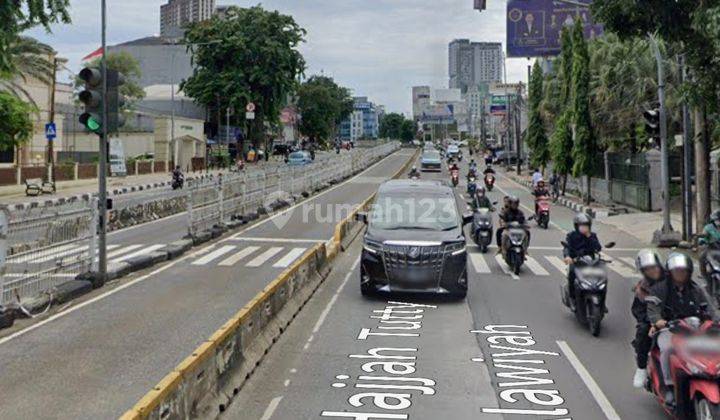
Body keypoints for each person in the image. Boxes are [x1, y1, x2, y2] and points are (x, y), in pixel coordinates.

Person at [646, 253, 719, 406]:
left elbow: (711, 309)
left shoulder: (696, 289)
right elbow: (653, 310)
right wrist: (659, 321)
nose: (680, 274)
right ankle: (669, 387)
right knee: (667, 349)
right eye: (677, 271)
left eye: (683, 270)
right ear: (670, 272)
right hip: (670, 330)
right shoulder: (660, 289)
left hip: (696, 329)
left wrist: (715, 320)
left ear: (689, 271)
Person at [631, 249, 666, 389]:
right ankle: (641, 369)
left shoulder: (673, 279)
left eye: (653, 267)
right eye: (647, 269)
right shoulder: (642, 288)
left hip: (677, 319)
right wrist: (652, 322)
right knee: (643, 331)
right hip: (654, 323)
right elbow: (637, 310)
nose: (652, 271)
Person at [563, 213, 602, 301]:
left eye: (586, 225)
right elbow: (566, 248)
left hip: (590, 262)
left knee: (602, 278)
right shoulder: (571, 236)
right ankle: (572, 297)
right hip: (576, 261)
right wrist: (567, 256)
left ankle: (601, 300)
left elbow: (598, 248)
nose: (584, 227)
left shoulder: (592, 236)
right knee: (572, 273)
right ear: (577, 226)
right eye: (582, 225)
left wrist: (588, 236)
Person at [700, 210, 720, 279]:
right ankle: (704, 275)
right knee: (702, 256)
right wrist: (702, 241)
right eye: (717, 220)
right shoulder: (708, 228)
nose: (718, 221)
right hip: (711, 249)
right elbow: (703, 236)